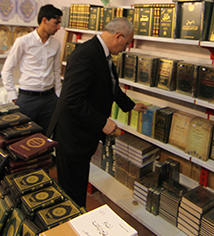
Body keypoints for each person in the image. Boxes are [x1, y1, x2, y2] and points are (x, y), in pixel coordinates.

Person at [48, 17, 147, 207]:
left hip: (81, 135)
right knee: (72, 192)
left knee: (77, 184)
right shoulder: (86, 54)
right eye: (126, 43)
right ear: (118, 36)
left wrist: (131, 105)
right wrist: (103, 122)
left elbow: (110, 86)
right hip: (72, 136)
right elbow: (71, 100)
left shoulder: (102, 53)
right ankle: (73, 221)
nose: (126, 48)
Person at [1, 4, 63, 133]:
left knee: (46, 136)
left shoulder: (56, 44)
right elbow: (7, 70)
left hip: (50, 99)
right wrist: (13, 96)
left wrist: (58, 96)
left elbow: (56, 71)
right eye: (56, 23)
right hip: (27, 98)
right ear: (44, 20)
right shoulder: (23, 41)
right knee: (23, 137)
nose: (59, 27)